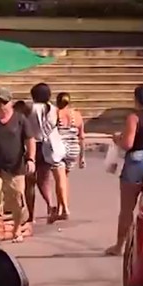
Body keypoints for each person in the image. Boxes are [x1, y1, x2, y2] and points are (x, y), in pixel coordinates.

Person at [105, 85, 143, 256]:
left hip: (136, 163)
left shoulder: (134, 117)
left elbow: (128, 143)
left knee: (127, 209)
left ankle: (119, 246)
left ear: (137, 99)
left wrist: (117, 139)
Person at [0, 88, 35, 245]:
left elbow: (30, 140)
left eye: (5, 102)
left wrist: (30, 159)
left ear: (11, 102)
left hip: (16, 168)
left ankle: (17, 230)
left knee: (16, 200)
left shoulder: (20, 120)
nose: (1, 105)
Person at [26, 83, 60, 224]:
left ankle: (31, 215)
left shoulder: (30, 108)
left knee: (29, 182)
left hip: (32, 145)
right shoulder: (53, 109)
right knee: (45, 180)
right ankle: (50, 204)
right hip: (47, 146)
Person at [54, 92, 85, 220]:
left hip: (60, 148)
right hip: (73, 149)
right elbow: (82, 136)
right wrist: (82, 157)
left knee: (59, 179)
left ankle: (64, 208)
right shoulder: (77, 115)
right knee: (64, 178)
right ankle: (60, 206)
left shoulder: (56, 114)